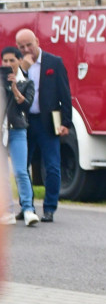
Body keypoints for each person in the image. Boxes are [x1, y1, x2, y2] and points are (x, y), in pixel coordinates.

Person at [14, 28, 72, 223]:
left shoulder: (53, 63)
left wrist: (66, 122)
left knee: (53, 166)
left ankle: (49, 208)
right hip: (25, 122)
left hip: (47, 121)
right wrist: (21, 69)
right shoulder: (18, 66)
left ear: (37, 41)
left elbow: (65, 94)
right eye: (21, 47)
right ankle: (26, 206)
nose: (26, 49)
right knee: (22, 166)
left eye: (29, 45)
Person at [2, 47, 37, 226]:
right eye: (5, 61)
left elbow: (26, 106)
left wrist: (15, 88)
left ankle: (28, 209)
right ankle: (7, 210)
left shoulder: (26, 83)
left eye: (12, 61)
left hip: (17, 130)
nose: (8, 64)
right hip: (2, 131)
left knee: (21, 171)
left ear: (19, 61)